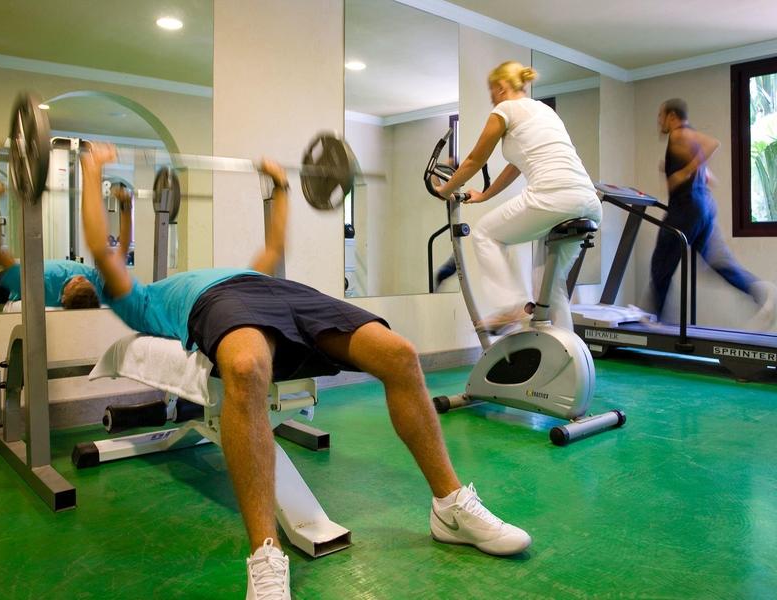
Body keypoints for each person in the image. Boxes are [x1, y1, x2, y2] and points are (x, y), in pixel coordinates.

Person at [80, 143, 532, 600]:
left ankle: (450, 507)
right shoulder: (137, 301)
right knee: (246, 365)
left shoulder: (210, 273)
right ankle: (264, 555)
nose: (91, 275)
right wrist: (91, 171)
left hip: (271, 287)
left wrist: (279, 188)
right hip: (218, 304)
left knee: (398, 353)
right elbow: (101, 247)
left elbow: (273, 248)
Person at [435, 61, 601, 333]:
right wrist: (485, 195)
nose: (490, 97)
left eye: (491, 91)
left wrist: (444, 190)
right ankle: (568, 357)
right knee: (548, 282)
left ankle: (511, 306)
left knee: (485, 234)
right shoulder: (544, 111)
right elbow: (515, 167)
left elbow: (475, 159)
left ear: (501, 87)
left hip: (553, 195)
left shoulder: (504, 109)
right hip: (588, 201)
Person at [648, 98, 776, 326]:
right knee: (719, 263)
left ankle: (658, 323)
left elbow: (712, 143)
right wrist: (682, 171)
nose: (659, 121)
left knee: (661, 264)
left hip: (687, 208)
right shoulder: (685, 142)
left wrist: (684, 171)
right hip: (703, 206)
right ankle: (760, 291)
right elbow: (707, 177)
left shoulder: (679, 134)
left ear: (672, 116)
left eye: (661, 115)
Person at [0, 181, 132, 310]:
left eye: (75, 284)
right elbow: (122, 252)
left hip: (4, 285)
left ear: (62, 298)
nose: (80, 278)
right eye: (84, 281)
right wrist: (126, 207)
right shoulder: (98, 286)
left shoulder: (41, 283)